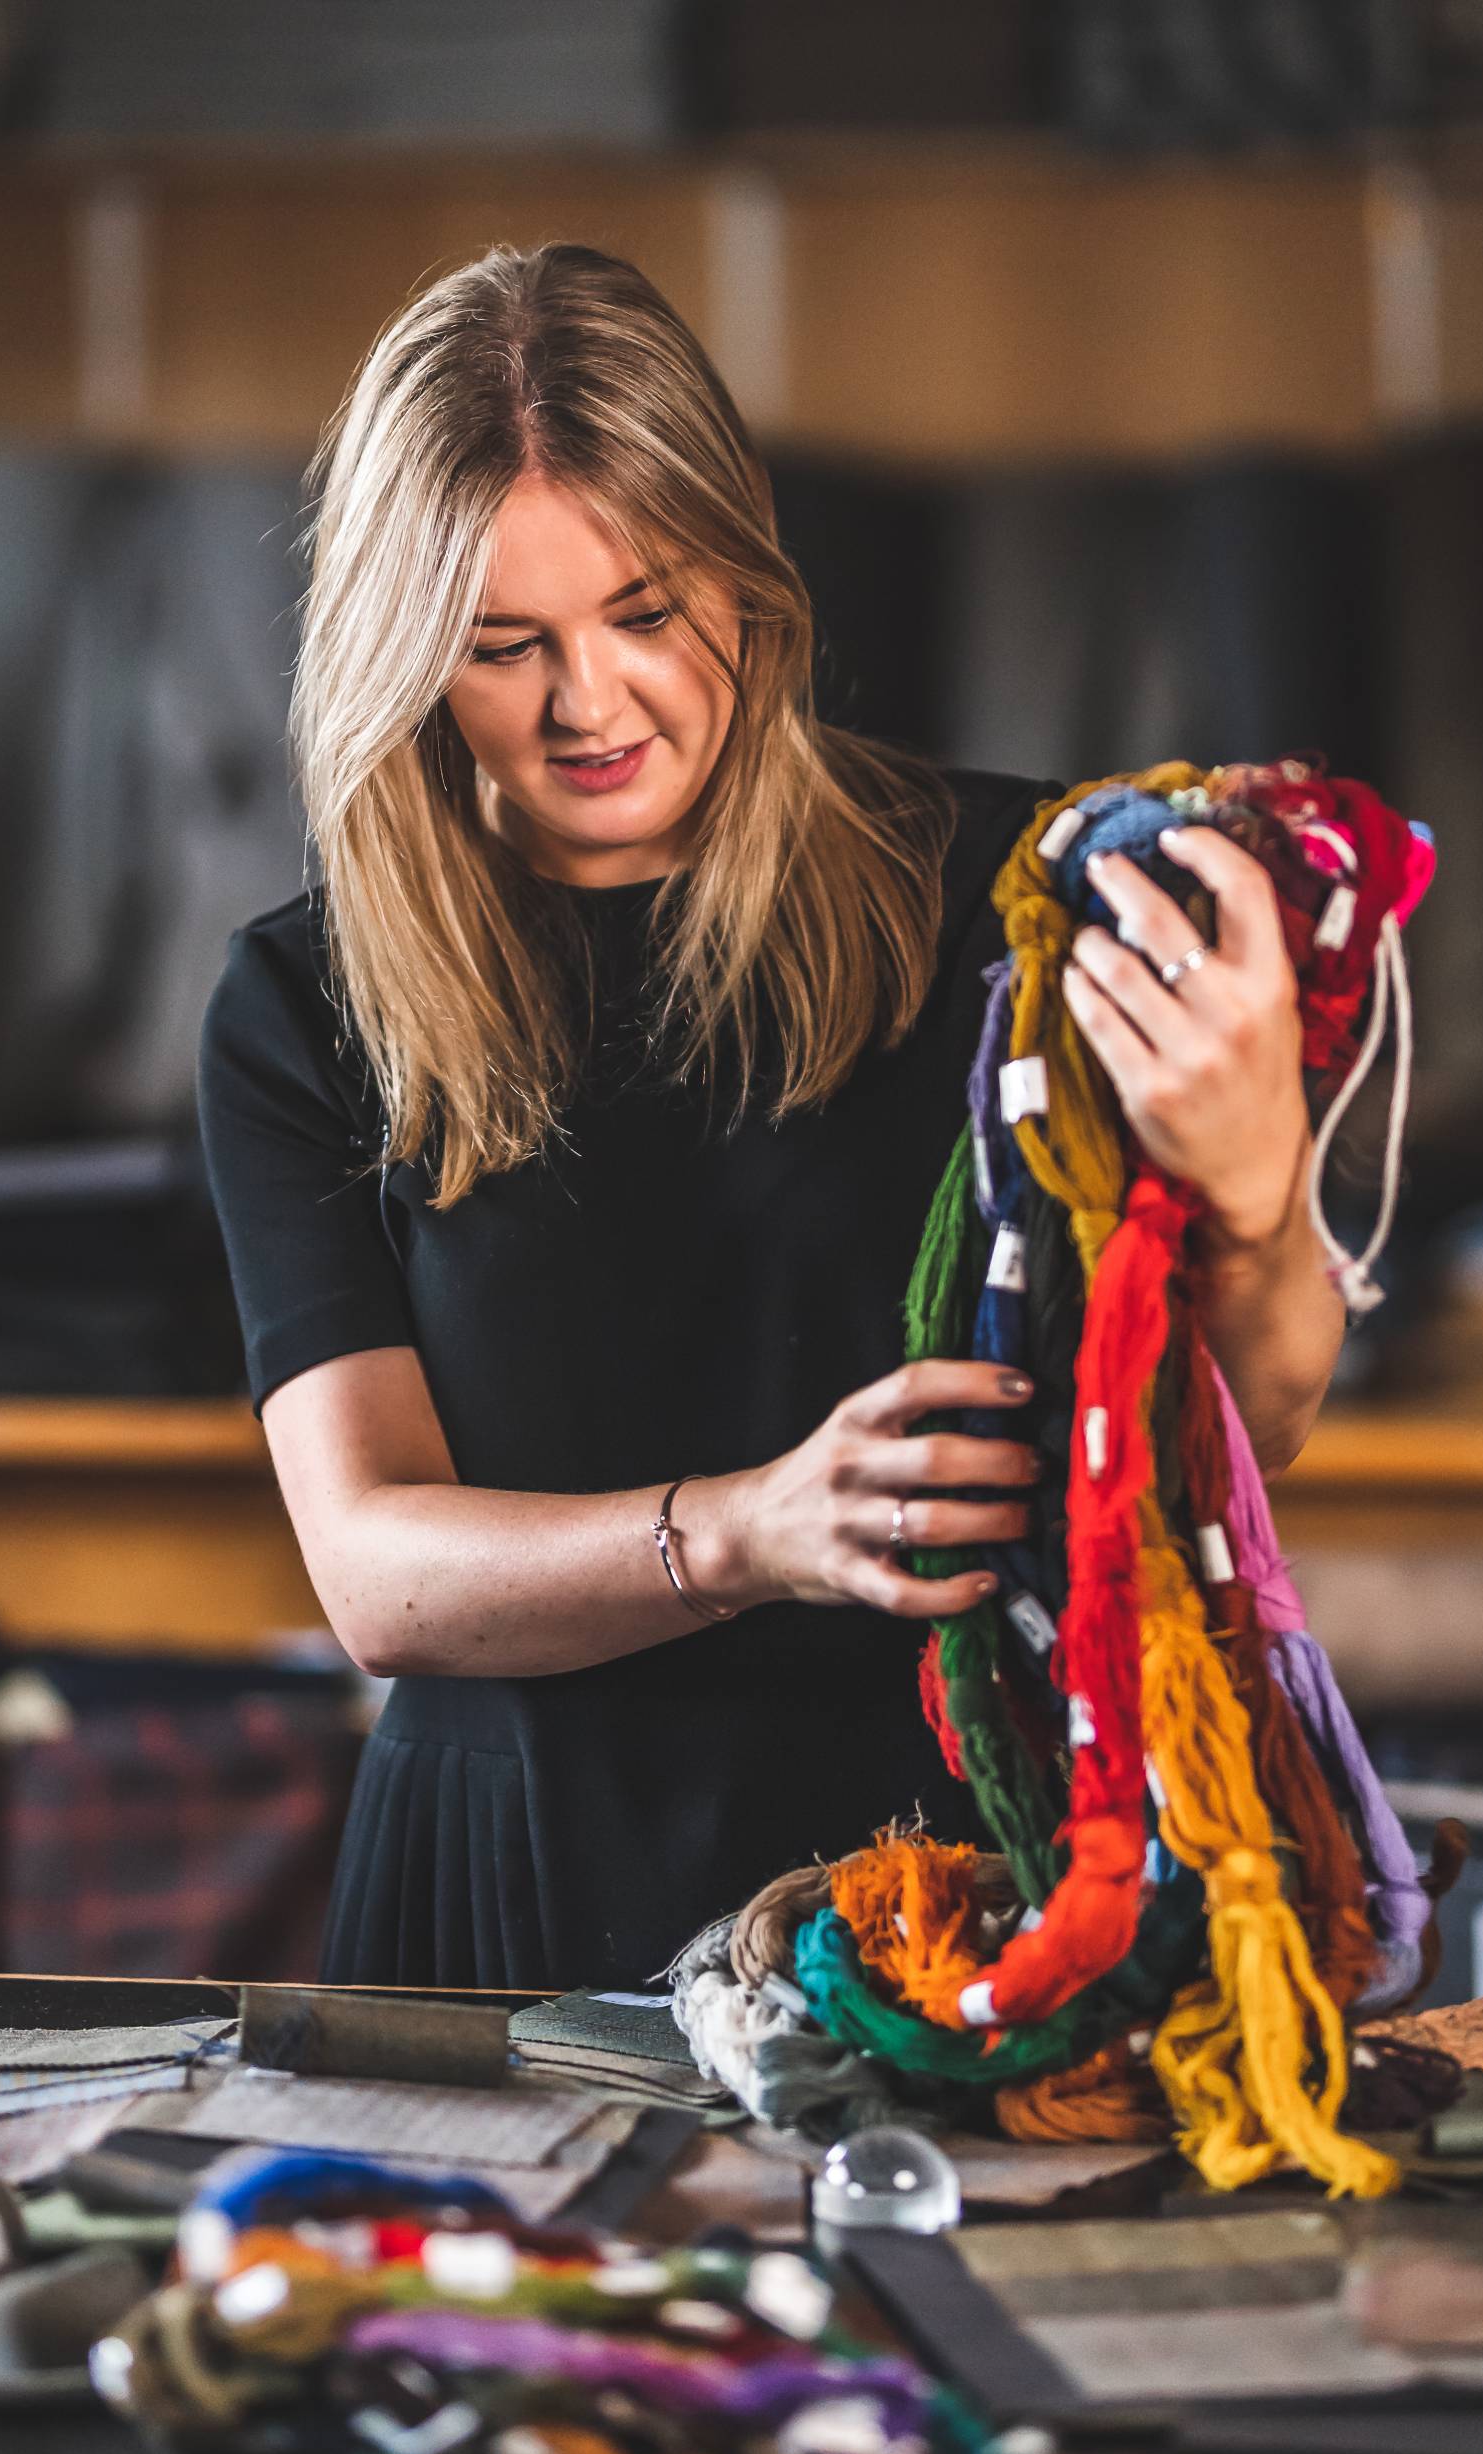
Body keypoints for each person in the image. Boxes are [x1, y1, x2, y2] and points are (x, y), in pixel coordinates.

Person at [198, 243, 1343, 1991]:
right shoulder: (307, 1007)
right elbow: (373, 1574)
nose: (590, 706)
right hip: (505, 1889)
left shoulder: (1010, 900)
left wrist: (1263, 1193)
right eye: (503, 648)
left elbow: (1234, 1443)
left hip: (965, 1862)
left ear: (745, 578)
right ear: (403, 660)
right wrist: (750, 1530)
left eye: (646, 614)